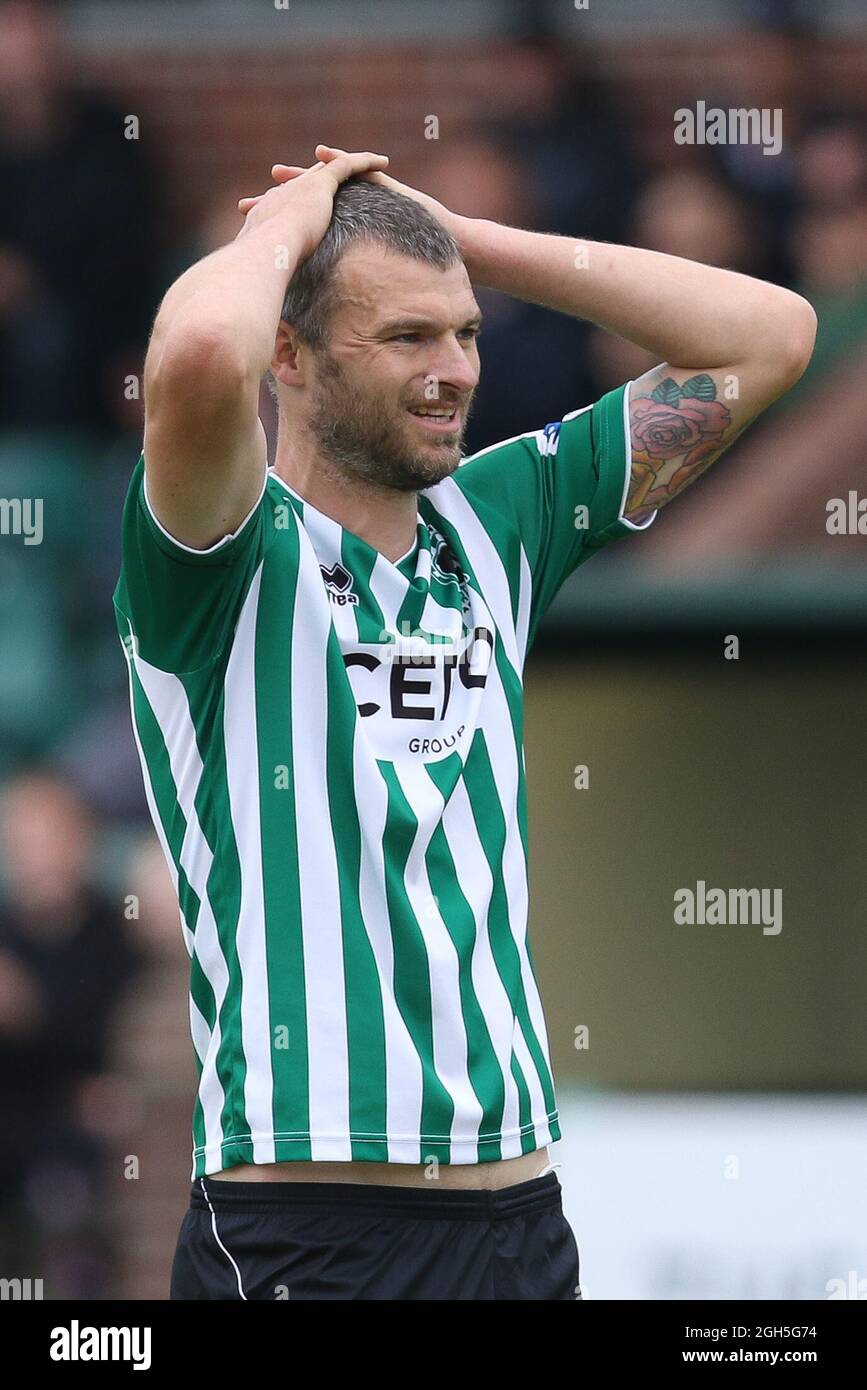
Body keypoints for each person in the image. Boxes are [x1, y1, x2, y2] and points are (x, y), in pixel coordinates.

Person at [113, 145, 816, 1300]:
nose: (453, 372)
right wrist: (289, 224)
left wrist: (452, 234)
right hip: (308, 1232)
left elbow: (769, 334)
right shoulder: (216, 560)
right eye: (405, 338)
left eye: (467, 335)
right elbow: (196, 350)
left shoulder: (499, 520)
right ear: (287, 354)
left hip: (521, 1224)